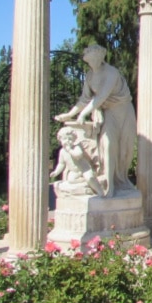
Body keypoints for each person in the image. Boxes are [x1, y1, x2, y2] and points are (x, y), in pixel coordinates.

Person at [55, 45, 136, 197]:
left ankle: (121, 180)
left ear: (100, 57)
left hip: (124, 111)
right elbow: (85, 99)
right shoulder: (90, 76)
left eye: (96, 57)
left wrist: (83, 115)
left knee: (125, 149)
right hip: (110, 113)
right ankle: (109, 186)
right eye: (90, 58)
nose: (94, 61)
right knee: (108, 144)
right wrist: (69, 114)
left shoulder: (111, 72)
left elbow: (101, 97)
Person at [50, 126, 104, 197]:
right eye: (65, 139)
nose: (68, 141)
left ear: (74, 140)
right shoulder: (62, 152)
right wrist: (56, 172)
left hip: (84, 169)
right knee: (71, 180)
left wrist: (69, 150)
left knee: (90, 178)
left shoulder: (76, 147)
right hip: (74, 172)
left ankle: (100, 192)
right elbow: (61, 164)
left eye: (70, 139)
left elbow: (78, 155)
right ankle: (84, 181)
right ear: (60, 140)